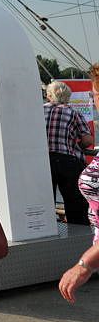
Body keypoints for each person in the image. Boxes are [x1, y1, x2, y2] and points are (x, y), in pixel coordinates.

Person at [42, 81, 93, 225]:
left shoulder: (39, 111)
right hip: (67, 161)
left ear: (50, 95)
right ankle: (78, 234)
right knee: (75, 203)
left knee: (45, 201)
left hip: (44, 161)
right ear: (67, 96)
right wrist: (77, 145)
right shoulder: (73, 112)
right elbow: (87, 140)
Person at [79, 63, 99, 244]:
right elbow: (88, 141)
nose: (93, 100)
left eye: (94, 94)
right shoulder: (73, 114)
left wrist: (84, 265)